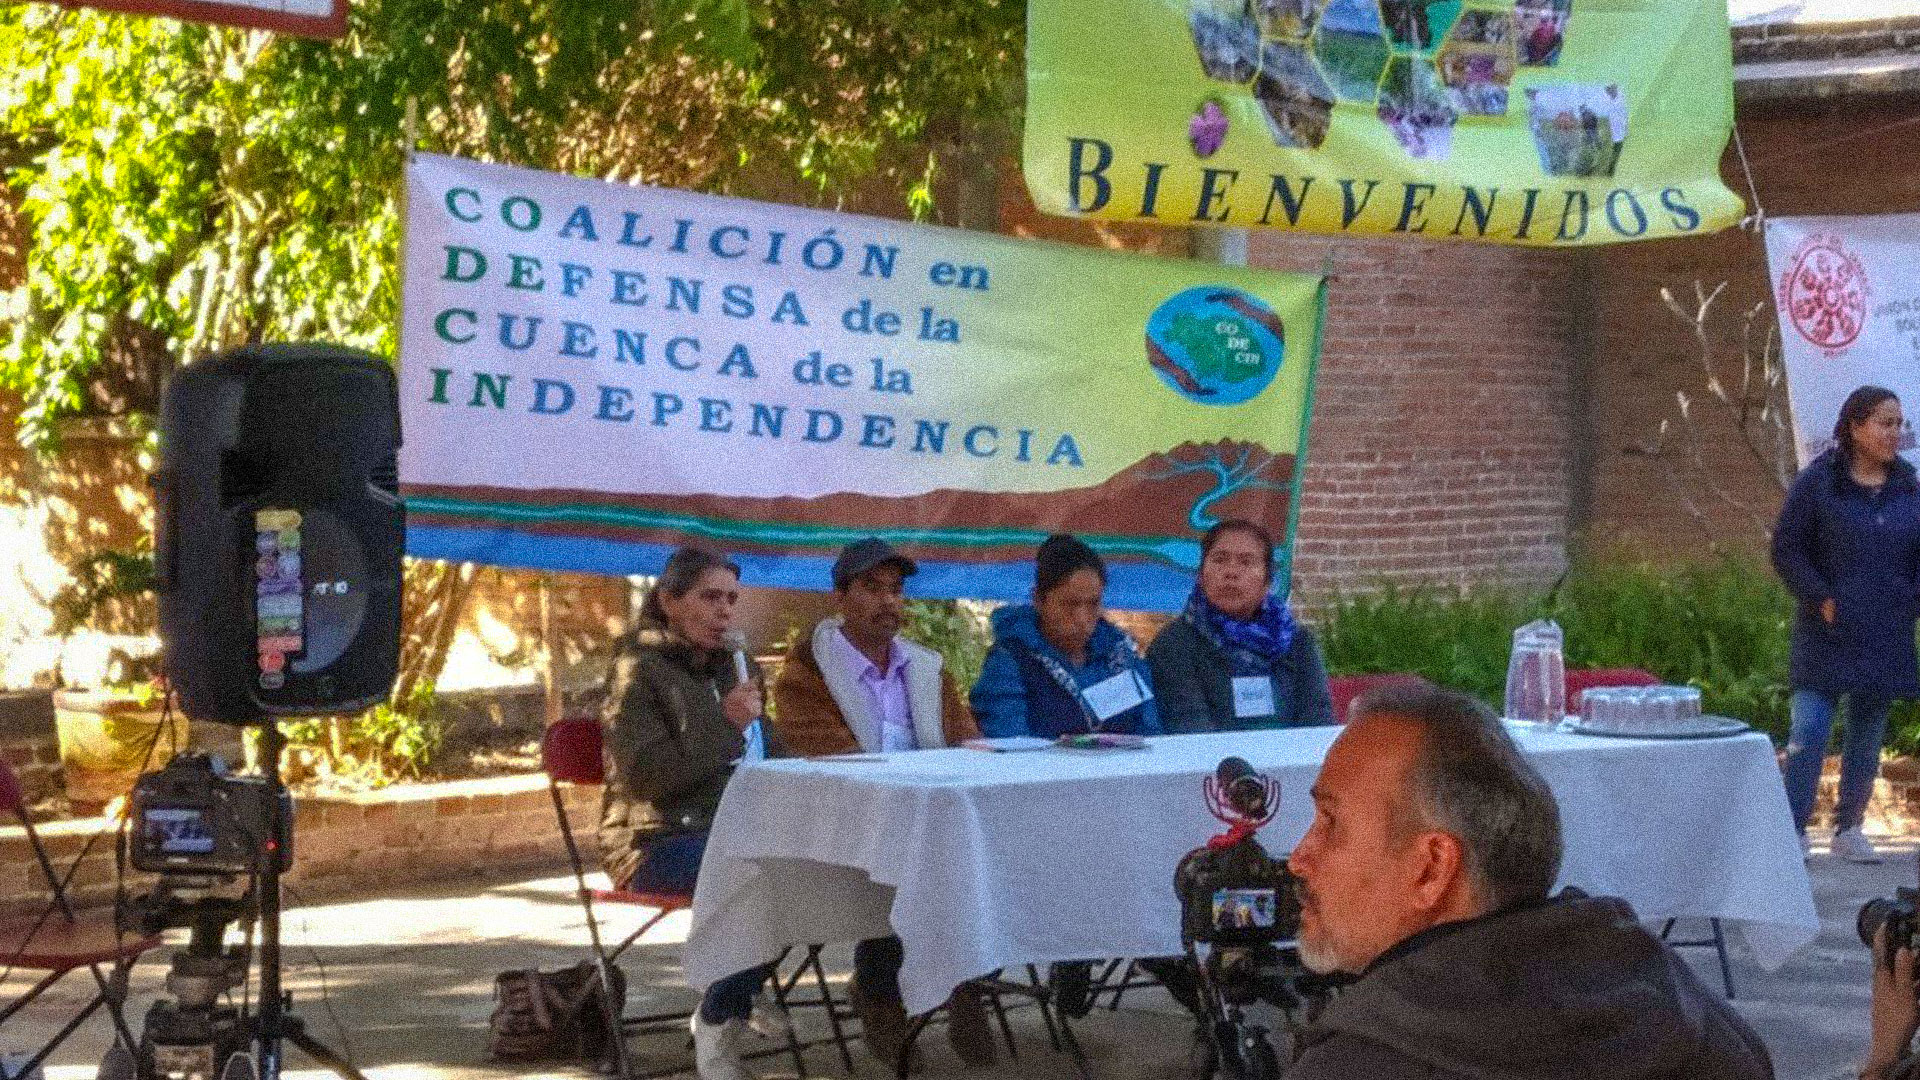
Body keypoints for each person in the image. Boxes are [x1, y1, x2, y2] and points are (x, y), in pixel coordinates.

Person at [1282, 684, 1772, 1079]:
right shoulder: (1698, 1020)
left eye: (1331, 823)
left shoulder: (1360, 1064)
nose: (1299, 859)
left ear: (1431, 869)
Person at [769, 537, 992, 1069]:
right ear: (840, 596)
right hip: (847, 822)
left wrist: (973, 752)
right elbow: (822, 758)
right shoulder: (807, 672)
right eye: (871, 587)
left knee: (973, 848)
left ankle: (961, 977)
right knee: (919, 857)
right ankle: (881, 986)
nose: (887, 600)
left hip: (927, 816)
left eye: (895, 589)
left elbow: (966, 737)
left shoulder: (925, 667)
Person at [596, 546, 781, 1080]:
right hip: (653, 841)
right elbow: (647, 776)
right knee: (767, 877)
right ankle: (723, 1011)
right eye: (709, 597)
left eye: (731, 599)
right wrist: (726, 723)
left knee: (817, 865)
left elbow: (767, 749)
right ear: (669, 602)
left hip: (732, 830)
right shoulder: (637, 670)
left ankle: (737, 984)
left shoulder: (732, 667)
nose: (725, 612)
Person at [1772, 385, 1920, 863]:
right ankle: (1791, 832)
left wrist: (1908, 601)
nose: (1894, 432)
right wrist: (1820, 596)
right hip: (1826, 629)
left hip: (1886, 628)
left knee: (1868, 727)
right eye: (1884, 422)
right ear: (1855, 427)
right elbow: (1786, 549)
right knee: (1811, 727)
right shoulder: (1819, 483)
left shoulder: (1909, 488)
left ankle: (1849, 828)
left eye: (1899, 423)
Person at [1147, 518, 1334, 731]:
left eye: (1246, 562)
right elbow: (1189, 726)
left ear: (1268, 580)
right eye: (1220, 559)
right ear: (1200, 575)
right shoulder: (1175, 644)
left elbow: (1318, 720)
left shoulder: (1296, 641)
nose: (1231, 573)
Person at [969, 533, 1162, 739]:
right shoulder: (1011, 662)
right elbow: (1010, 744)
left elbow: (1151, 733)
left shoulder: (1120, 655)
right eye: (1070, 605)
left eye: (1093, 604)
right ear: (1039, 600)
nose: (1082, 618)